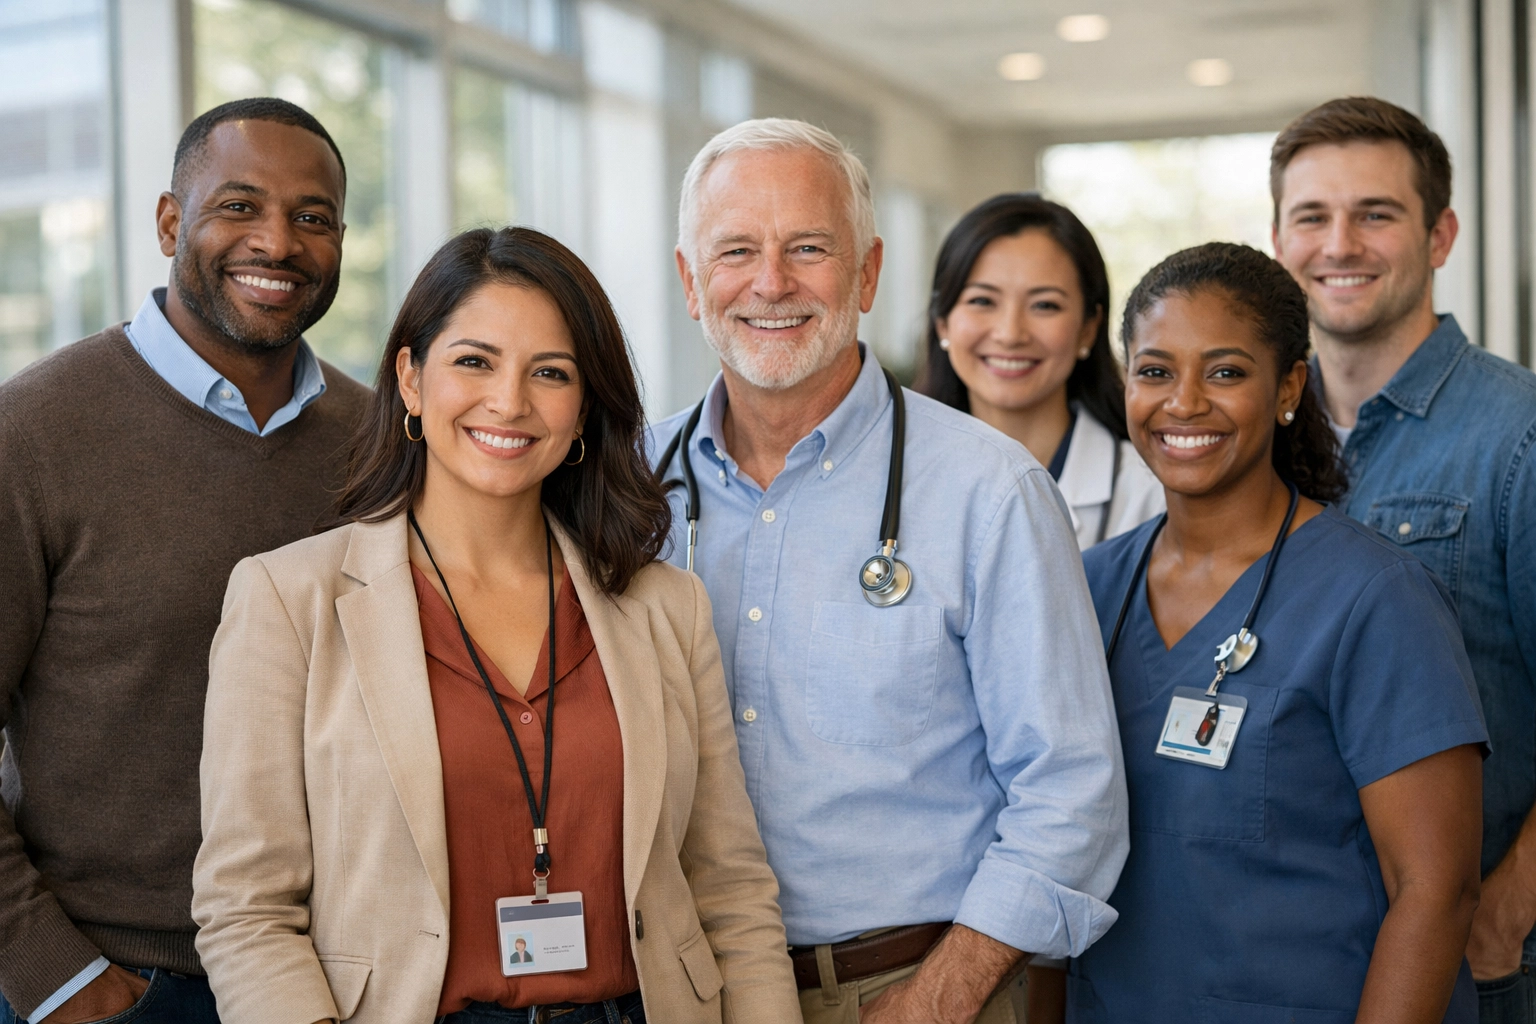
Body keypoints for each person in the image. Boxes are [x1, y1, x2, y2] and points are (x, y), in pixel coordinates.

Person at [192, 227, 801, 1024]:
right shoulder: (287, 599)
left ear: (585, 408)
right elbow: (247, 909)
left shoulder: (665, 607)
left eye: (550, 373)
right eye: (473, 362)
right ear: (410, 379)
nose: (509, 402)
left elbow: (731, 893)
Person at [652, 117, 1128, 1024]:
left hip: (924, 986)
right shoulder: (628, 486)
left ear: (867, 274)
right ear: (689, 282)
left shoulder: (991, 493)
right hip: (689, 988)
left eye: (808, 248)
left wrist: (935, 1000)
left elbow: (1072, 794)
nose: (771, 282)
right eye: (735, 251)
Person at [1048, 242, 1487, 1023]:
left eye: (1225, 372)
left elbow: (1436, 890)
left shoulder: (1376, 600)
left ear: (1288, 387)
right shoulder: (1086, 588)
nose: (1183, 402)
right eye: (1154, 371)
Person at [0, 98, 366, 1024]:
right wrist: (55, 977)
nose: (277, 243)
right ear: (171, 221)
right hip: (116, 978)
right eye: (237, 206)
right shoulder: (32, 433)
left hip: (338, 979)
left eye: (311, 217)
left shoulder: (382, 442)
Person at [1268, 97, 1536, 1018]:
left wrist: (1508, 908)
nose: (1339, 243)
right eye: (1312, 216)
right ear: (1277, 241)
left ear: (1440, 235)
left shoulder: (1520, 437)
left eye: (1375, 214)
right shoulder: (1254, 449)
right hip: (1311, 960)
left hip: (1484, 972)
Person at [916, 193, 1162, 547]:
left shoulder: (1149, 493)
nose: (1010, 334)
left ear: (1089, 328)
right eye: (982, 301)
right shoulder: (890, 482)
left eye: (1044, 305)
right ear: (942, 322)